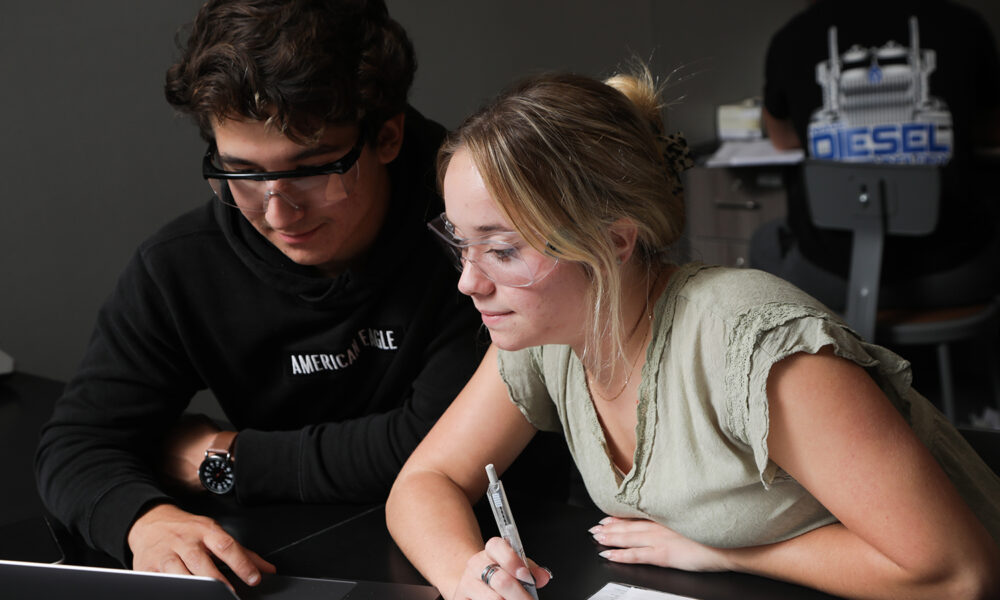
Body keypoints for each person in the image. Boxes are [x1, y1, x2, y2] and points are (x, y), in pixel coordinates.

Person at [384, 68, 1000, 600]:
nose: (469, 283)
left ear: (615, 241)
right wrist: (467, 575)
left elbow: (955, 576)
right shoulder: (549, 336)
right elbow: (423, 484)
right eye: (462, 244)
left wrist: (728, 552)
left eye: (502, 250)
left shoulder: (752, 349)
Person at [34, 0, 485, 590]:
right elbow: (77, 443)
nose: (277, 212)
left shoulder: (477, 229)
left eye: (312, 169)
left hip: (494, 549)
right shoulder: (181, 265)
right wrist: (145, 522)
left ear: (389, 135)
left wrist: (222, 460)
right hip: (282, 565)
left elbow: (437, 447)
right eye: (241, 172)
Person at [753, 0, 1000, 310]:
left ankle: (813, 354)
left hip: (832, 274)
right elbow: (991, 130)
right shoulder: (965, 25)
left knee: (764, 242)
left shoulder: (792, 37)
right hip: (955, 271)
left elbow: (783, 138)